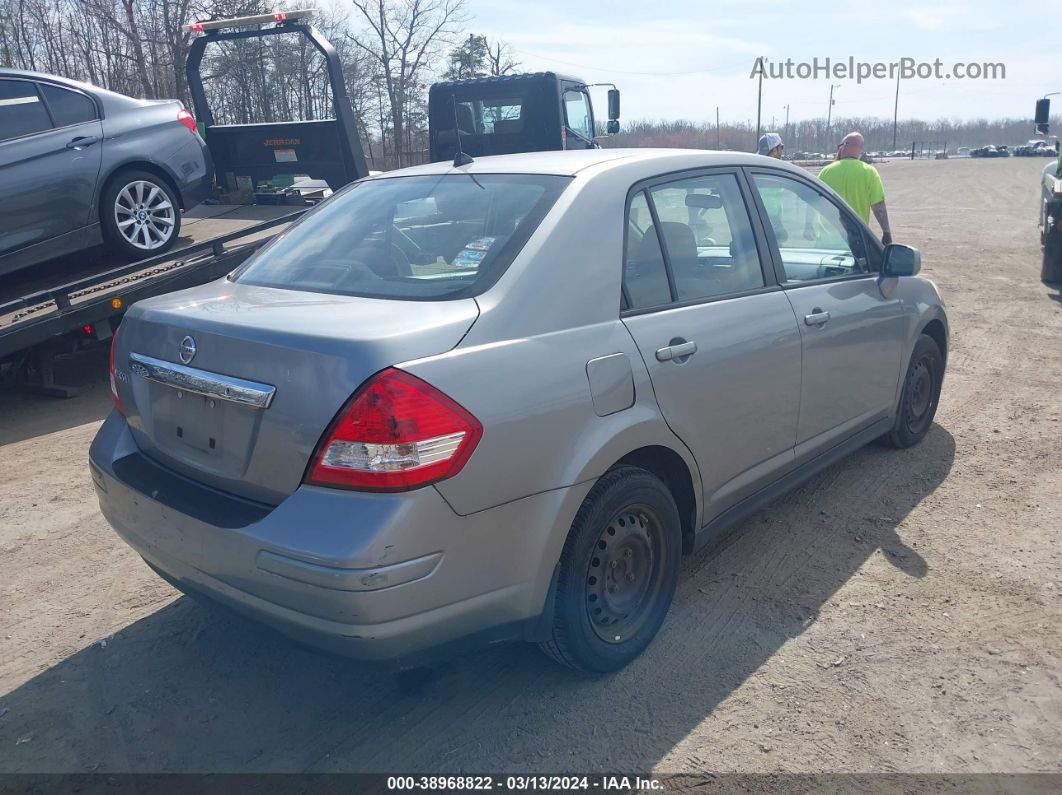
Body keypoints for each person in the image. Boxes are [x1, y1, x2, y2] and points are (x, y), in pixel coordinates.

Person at [816, 132, 893, 245]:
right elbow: (878, 207)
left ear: (844, 146)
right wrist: (886, 233)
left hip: (827, 239)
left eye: (839, 146)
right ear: (861, 149)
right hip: (856, 239)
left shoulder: (826, 171)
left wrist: (807, 226)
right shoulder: (869, 172)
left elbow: (814, 199)